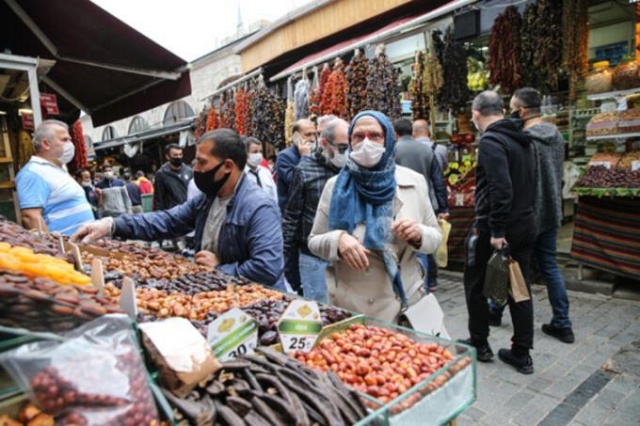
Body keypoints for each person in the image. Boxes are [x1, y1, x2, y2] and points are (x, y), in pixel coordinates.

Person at [72, 129, 285, 288]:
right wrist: (112, 224)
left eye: (202, 163)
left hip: (256, 301)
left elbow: (267, 267)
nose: (195, 169)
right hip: (221, 290)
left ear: (228, 166)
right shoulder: (207, 199)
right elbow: (167, 221)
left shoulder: (259, 207)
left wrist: (220, 269)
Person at [308, 111, 442, 323]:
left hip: (408, 303)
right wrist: (339, 240)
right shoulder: (335, 187)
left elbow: (435, 237)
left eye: (375, 136)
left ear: (388, 139)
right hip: (355, 305)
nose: (366, 143)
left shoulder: (414, 181)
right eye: (359, 137)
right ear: (350, 141)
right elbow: (314, 241)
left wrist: (418, 234)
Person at [461, 90, 536, 374]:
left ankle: (480, 343)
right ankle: (521, 352)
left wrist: (497, 228)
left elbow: (500, 188)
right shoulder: (521, 139)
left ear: (477, 114)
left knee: (476, 284)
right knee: (520, 287)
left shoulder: (492, 140)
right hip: (525, 223)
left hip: (497, 228)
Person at [510, 87, 575, 344]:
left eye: (512, 108)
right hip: (551, 209)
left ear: (521, 111)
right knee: (550, 267)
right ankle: (563, 322)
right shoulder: (556, 134)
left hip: (528, 214)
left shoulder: (524, 139)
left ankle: (495, 311)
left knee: (514, 266)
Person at [283, 117, 349, 303]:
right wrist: (285, 258)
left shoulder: (352, 168)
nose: (348, 152)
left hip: (346, 256)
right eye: (343, 147)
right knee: (320, 309)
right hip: (314, 257)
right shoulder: (304, 169)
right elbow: (292, 215)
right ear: (325, 144)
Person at [394, 118, 449, 292]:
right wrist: (443, 207)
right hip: (425, 202)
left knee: (408, 246)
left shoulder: (393, 150)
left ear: (395, 134)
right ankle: (424, 285)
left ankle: (412, 286)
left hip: (401, 204)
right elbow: (438, 181)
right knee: (422, 243)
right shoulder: (427, 150)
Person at [15, 120, 94, 235]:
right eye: (64, 140)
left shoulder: (59, 169)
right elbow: (30, 216)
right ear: (46, 144)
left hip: (84, 245)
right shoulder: (33, 173)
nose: (70, 144)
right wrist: (52, 248)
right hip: (66, 249)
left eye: (70, 140)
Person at [276, 118, 316, 293]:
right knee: (293, 261)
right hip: (292, 219)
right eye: (308, 135)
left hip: (310, 219)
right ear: (296, 137)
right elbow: (296, 183)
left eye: (315, 134)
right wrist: (305, 158)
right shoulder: (285, 157)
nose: (313, 138)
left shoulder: (316, 155)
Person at [154, 144, 192, 211]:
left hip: (189, 211)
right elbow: (158, 200)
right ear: (168, 157)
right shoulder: (162, 174)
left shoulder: (188, 170)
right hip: (173, 214)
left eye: (180, 154)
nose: (179, 157)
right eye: (175, 155)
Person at [243, 137, 277, 203]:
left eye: (260, 152)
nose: (258, 155)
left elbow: (274, 195)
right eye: (255, 152)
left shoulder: (266, 172)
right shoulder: (241, 175)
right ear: (245, 154)